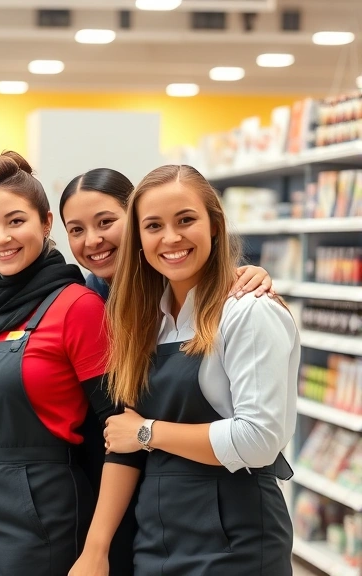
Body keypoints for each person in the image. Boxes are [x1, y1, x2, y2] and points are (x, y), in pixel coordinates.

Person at [70, 165, 297, 576]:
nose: (171, 238)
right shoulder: (145, 321)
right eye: (154, 225)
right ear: (139, 239)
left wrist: (146, 433)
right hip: (158, 532)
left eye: (186, 220)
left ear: (214, 225)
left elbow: (259, 439)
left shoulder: (247, 310)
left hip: (235, 538)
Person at [0, 151, 139, 576]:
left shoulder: (78, 306)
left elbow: (118, 432)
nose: (2, 238)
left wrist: (98, 549)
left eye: (16, 221)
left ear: (46, 224)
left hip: (42, 516)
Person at [60, 168, 273, 300]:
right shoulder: (91, 293)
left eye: (106, 222)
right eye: (76, 229)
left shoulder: (172, 277)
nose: (93, 240)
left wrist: (251, 277)